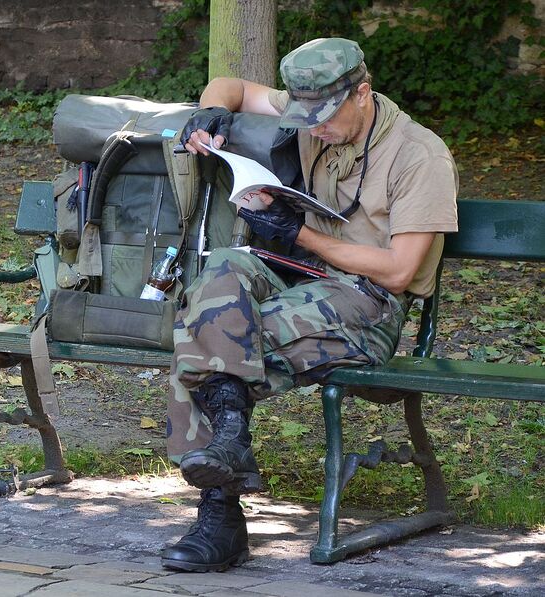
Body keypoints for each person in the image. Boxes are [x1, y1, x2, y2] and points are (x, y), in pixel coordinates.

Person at [160, 37, 459, 572]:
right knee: (220, 275)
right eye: (305, 116)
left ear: (362, 93)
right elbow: (233, 86)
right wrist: (210, 112)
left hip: (368, 304)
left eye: (323, 117)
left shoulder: (419, 155)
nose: (313, 128)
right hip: (301, 280)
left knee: (205, 333)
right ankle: (230, 442)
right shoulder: (313, 108)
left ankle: (219, 517)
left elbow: (398, 271)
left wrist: (298, 233)